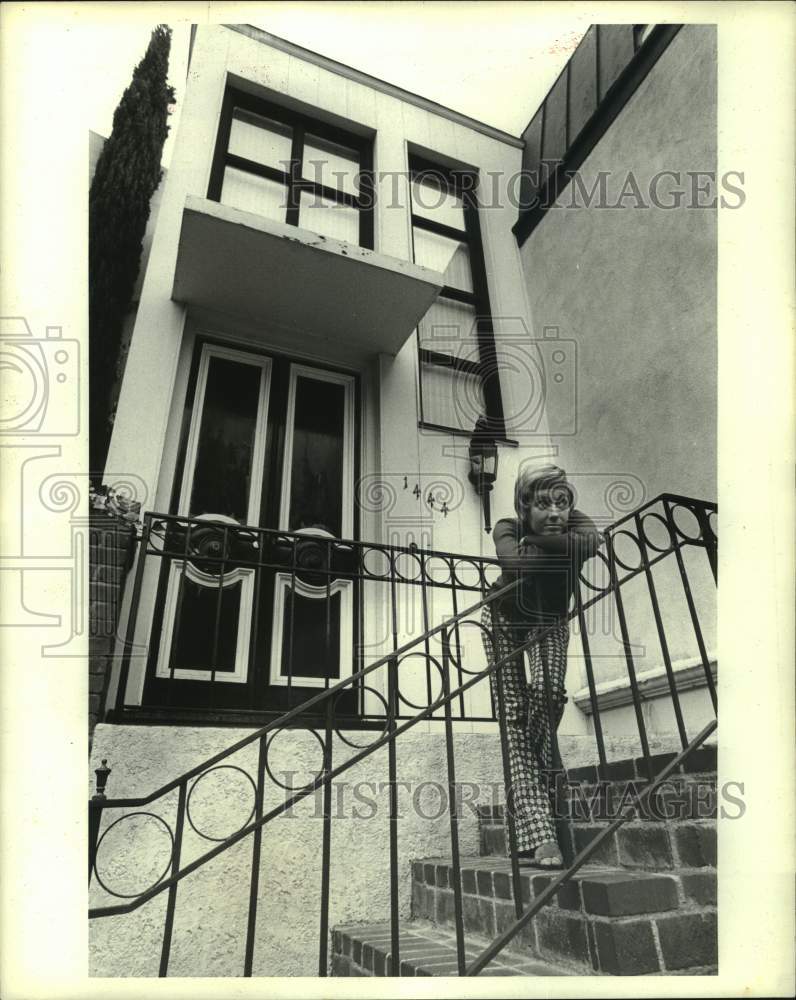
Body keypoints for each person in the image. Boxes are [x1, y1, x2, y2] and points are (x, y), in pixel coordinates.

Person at [481, 463, 602, 868]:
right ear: (523, 505)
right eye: (543, 504)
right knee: (514, 716)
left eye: (562, 503)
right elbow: (517, 567)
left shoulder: (562, 523)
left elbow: (591, 543)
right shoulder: (504, 525)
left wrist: (539, 540)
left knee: (548, 693)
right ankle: (540, 834)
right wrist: (560, 544)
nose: (555, 512)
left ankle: (544, 759)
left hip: (549, 618)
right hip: (503, 617)